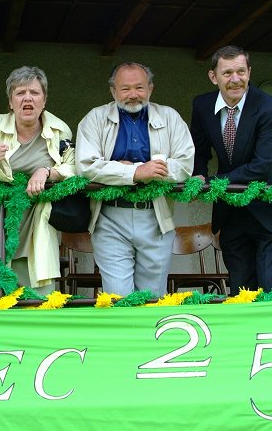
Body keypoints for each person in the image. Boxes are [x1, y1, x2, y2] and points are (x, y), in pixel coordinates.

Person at [76, 62, 194, 297]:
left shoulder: (170, 117)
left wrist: (141, 169)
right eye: (125, 89)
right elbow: (86, 166)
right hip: (109, 217)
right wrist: (136, 173)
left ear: (150, 88)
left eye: (139, 88)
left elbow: (185, 165)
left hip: (156, 216)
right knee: (118, 296)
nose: (132, 95)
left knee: (152, 296)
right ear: (113, 91)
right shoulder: (95, 118)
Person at [0, 66, 75, 295]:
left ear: (45, 100)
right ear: (10, 102)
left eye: (34, 92)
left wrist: (47, 172)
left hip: (36, 228)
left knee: (38, 299)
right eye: (20, 93)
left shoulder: (59, 130)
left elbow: (73, 166)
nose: (28, 98)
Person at [191, 45, 272, 296]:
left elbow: (262, 165)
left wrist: (216, 182)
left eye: (241, 72)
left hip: (267, 207)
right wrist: (198, 177)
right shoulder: (202, 106)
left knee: (269, 282)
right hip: (230, 211)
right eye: (227, 73)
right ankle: (245, 336)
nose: (235, 79)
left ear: (249, 72)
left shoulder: (270, 109)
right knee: (240, 285)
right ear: (213, 77)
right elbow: (199, 151)